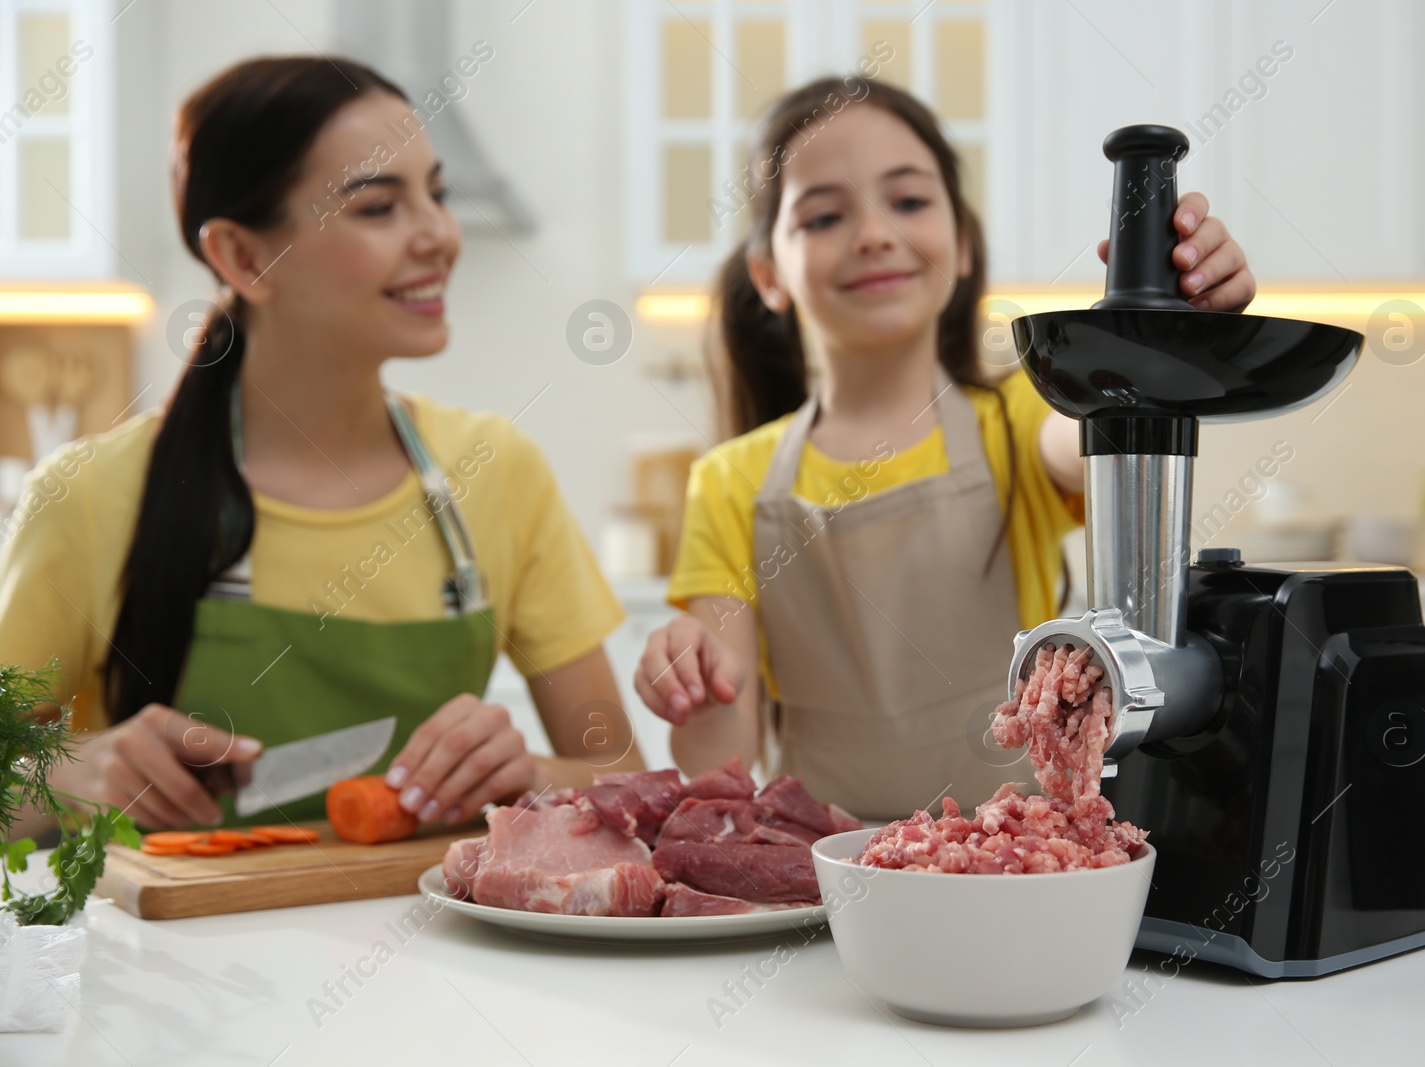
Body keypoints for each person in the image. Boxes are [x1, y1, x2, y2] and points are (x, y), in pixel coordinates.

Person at [0, 56, 641, 832]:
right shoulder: (89, 493)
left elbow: (624, 779)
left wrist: (532, 775)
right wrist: (67, 771)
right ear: (243, 258)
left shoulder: (497, 470)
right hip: (167, 952)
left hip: (442, 955)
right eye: (379, 207)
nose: (440, 234)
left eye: (435, 194)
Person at [633, 77, 1255, 818]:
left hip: (1020, 859)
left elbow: (1100, 433)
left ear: (962, 242)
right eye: (825, 215)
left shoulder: (1021, 420)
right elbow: (719, 753)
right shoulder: (730, 480)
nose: (873, 233)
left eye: (908, 201)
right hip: (822, 884)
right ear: (768, 272)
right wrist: (691, 685)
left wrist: (1160, 342)